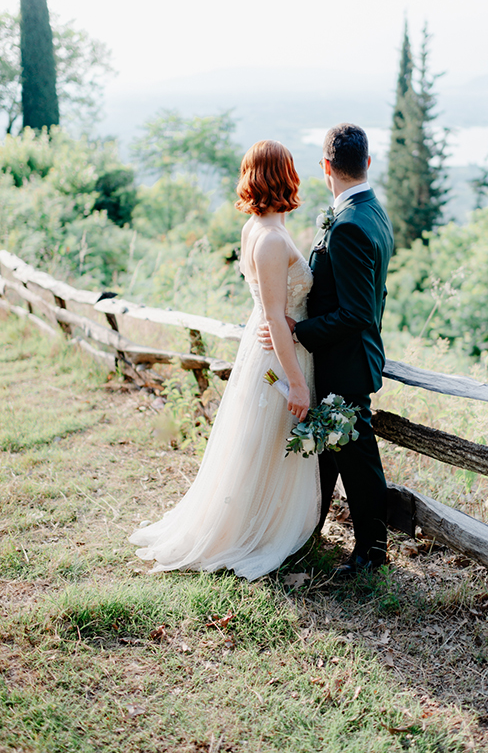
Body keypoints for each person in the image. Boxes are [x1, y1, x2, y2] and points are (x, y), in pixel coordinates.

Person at [129, 140, 319, 581]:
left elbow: (264, 303)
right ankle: (251, 530)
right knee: (266, 440)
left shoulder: (258, 227)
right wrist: (297, 383)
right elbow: (272, 314)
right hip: (278, 354)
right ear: (285, 176)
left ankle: (255, 518)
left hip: (268, 345)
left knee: (260, 441)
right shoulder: (270, 238)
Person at [260, 123, 394, 575]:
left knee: (357, 459)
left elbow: (357, 312)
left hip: (346, 360)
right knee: (334, 451)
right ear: (367, 163)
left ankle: (372, 552)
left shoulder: (351, 225)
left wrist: (301, 331)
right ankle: (310, 529)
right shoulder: (373, 211)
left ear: (325, 166)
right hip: (349, 356)